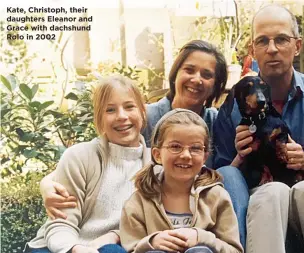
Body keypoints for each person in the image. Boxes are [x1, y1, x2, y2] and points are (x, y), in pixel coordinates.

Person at [214, 4, 304, 253]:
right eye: (263, 41)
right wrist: (241, 155)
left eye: (281, 39)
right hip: (262, 204)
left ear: (297, 46)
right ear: (252, 50)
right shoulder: (234, 104)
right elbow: (221, 176)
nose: (272, 49)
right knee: (272, 192)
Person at [39, 39, 228, 219]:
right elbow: (101, 156)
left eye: (207, 74)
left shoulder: (217, 122)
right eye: (189, 70)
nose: (196, 79)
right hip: (145, 219)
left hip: (199, 215)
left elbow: (226, 174)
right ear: (176, 73)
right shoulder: (143, 117)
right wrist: (46, 184)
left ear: (216, 85)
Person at [24, 75, 151, 253]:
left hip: (111, 247)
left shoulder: (156, 165)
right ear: (99, 119)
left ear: (143, 112)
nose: (122, 116)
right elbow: (61, 222)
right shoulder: (79, 156)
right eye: (110, 110)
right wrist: (76, 249)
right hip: (60, 245)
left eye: (129, 107)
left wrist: (116, 234)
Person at [120, 109, 243, 253]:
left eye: (195, 148)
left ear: (204, 157)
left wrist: (201, 237)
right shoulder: (139, 201)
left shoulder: (217, 197)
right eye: (175, 147)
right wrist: (151, 242)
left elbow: (234, 250)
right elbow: (130, 247)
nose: (186, 155)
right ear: (157, 155)